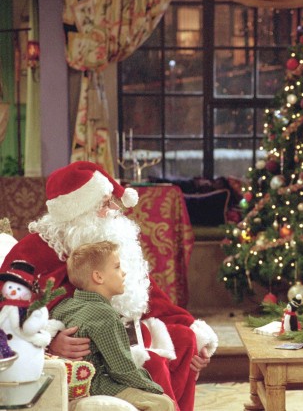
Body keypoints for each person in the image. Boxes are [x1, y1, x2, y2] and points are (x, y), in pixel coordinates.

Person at [0, 161, 218, 411]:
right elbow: (10, 311)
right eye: (105, 203)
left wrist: (195, 334)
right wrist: (50, 341)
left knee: (186, 340)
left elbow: (149, 297)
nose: (115, 208)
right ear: (78, 212)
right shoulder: (35, 250)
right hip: (89, 351)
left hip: (123, 331)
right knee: (154, 365)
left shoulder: (107, 240)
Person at [51, 241, 175, 411]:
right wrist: (155, 388)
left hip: (70, 385)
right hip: (94, 386)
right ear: (98, 277)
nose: (123, 272)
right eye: (117, 267)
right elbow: (122, 370)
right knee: (162, 403)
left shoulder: (64, 306)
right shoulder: (104, 314)